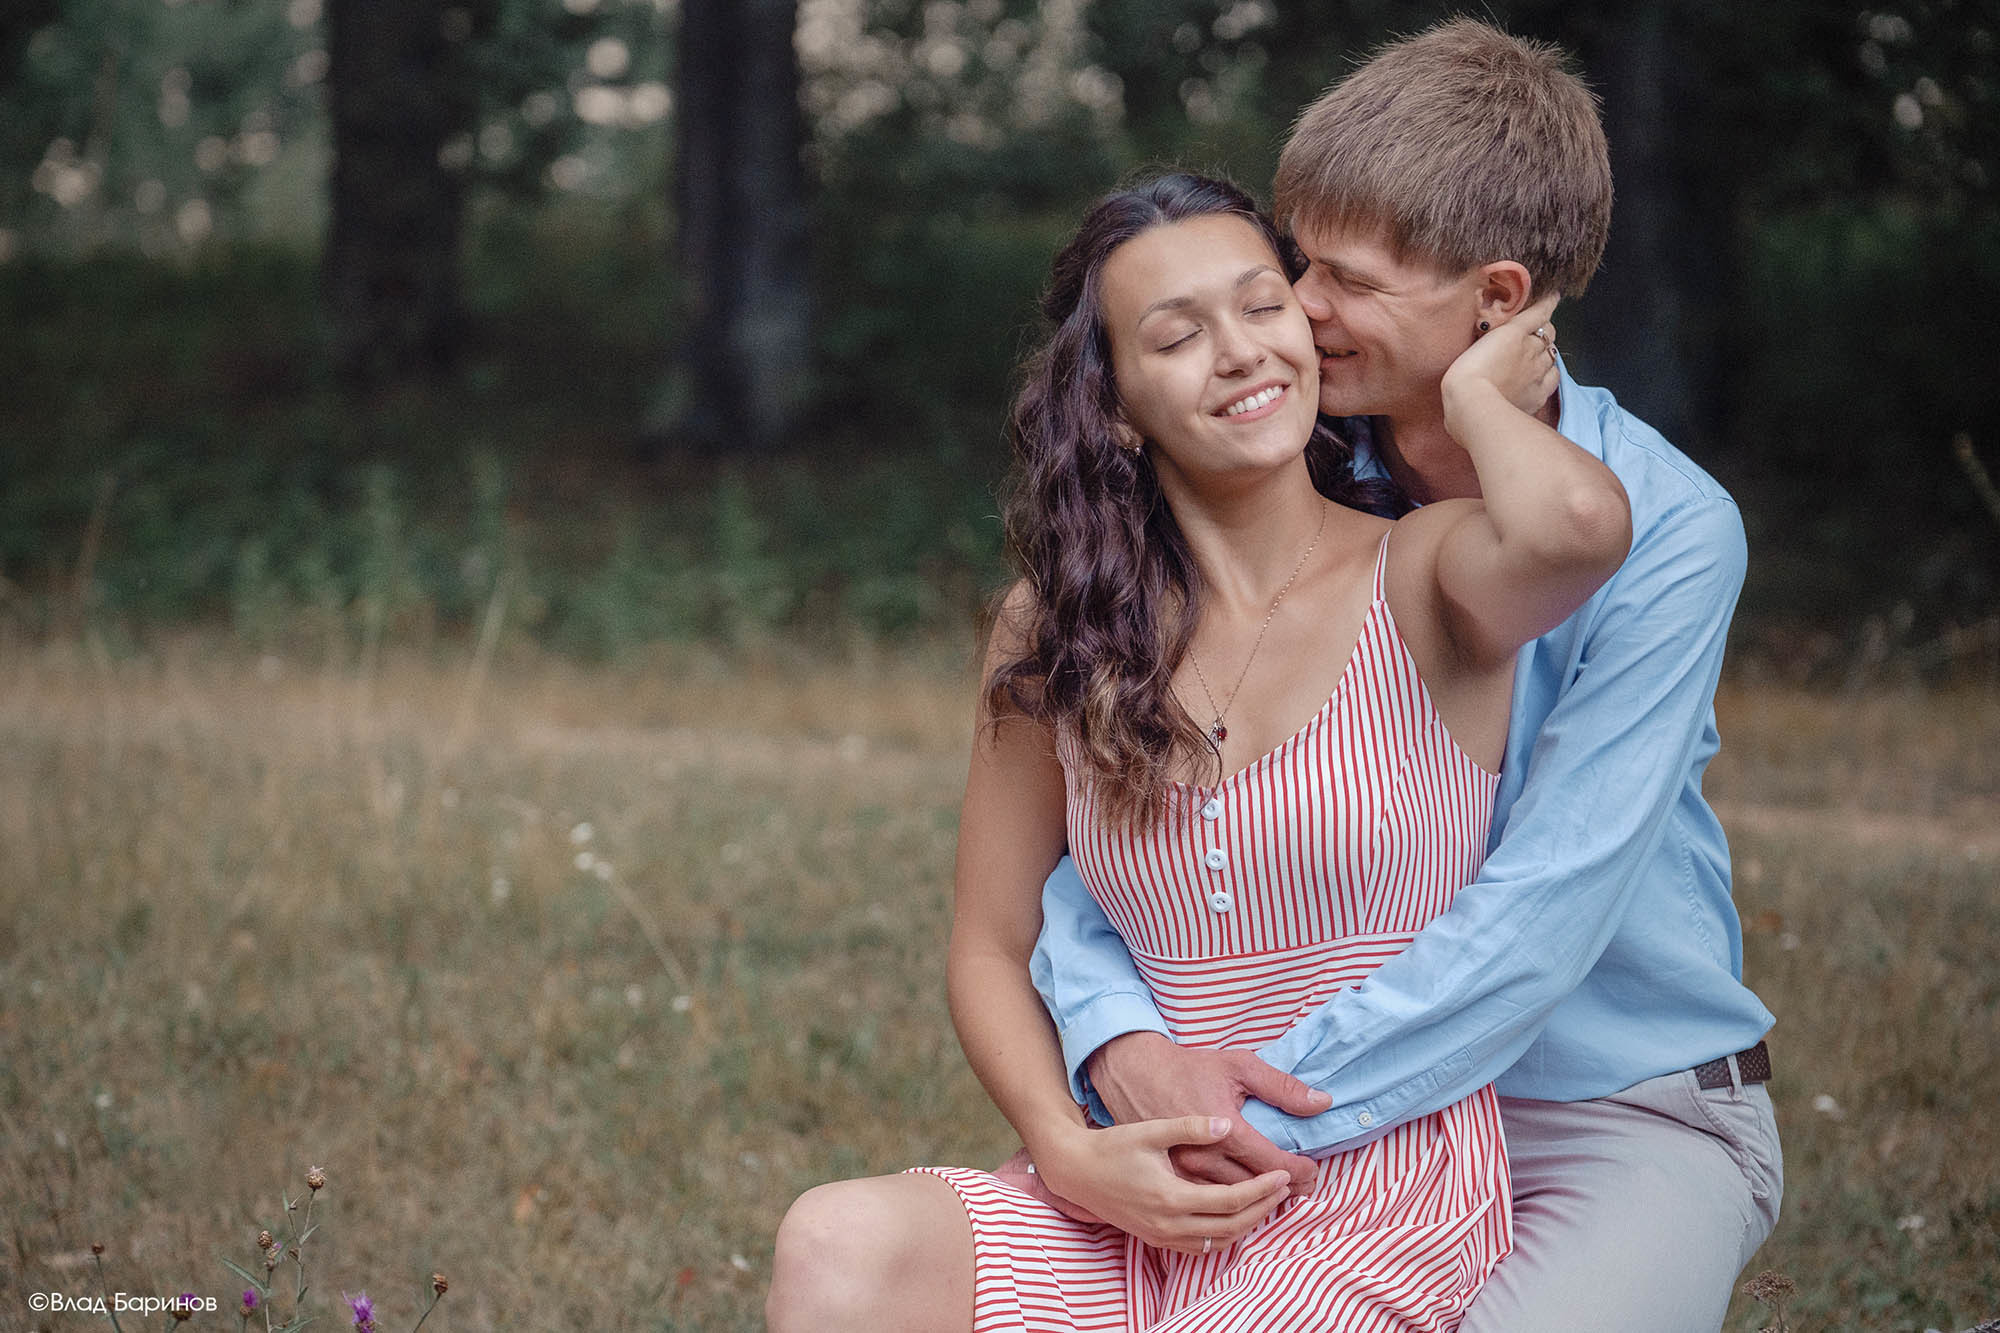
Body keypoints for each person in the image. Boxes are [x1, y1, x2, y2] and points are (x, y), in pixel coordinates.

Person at [766, 167, 1629, 1332]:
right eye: (1177, 337)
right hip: (1129, 1192)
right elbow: (988, 942)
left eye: (1263, 307)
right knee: (838, 1240)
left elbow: (1578, 530)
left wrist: (1477, 396)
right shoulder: (1056, 627)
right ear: (1115, 402)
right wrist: (1066, 1152)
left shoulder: (1425, 571)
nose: (1239, 354)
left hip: (1360, 1194)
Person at [1030, 20, 1782, 1332]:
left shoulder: (1664, 526)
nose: (1297, 312)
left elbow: (1542, 912)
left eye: (1345, 279)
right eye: (1297, 262)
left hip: (1604, 1106)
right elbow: (1123, 822)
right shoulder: (1296, 473)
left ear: (1497, 303)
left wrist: (1251, 1105)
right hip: (1358, 1123)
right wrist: (1120, 1048)